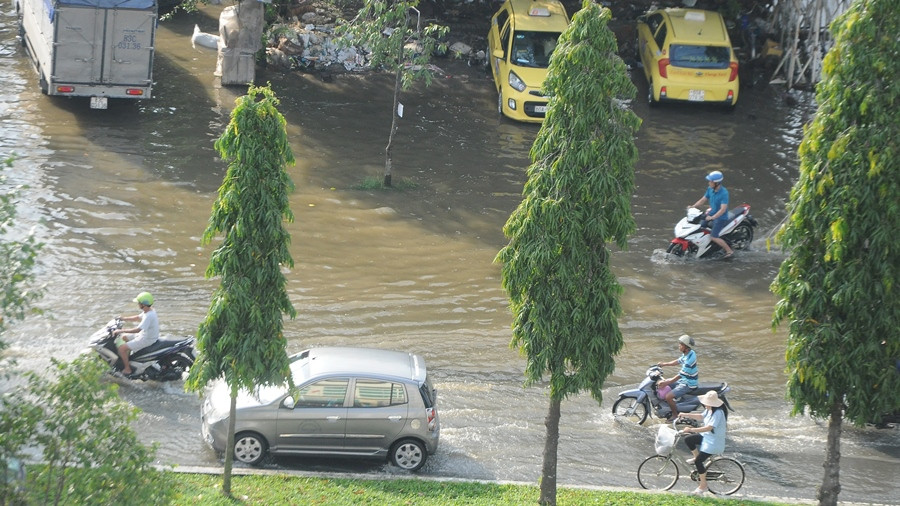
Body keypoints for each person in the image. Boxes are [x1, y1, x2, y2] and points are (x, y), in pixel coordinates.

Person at [679, 390, 729, 495]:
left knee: (699, 462)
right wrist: (685, 414)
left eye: (706, 403)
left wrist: (691, 429)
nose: (704, 404)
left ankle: (703, 485)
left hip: (714, 442)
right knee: (688, 439)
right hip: (707, 437)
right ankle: (696, 458)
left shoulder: (718, 413)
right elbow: (701, 416)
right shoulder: (709, 410)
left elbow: (709, 428)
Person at [113, 292, 159, 377]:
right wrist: (123, 318)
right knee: (124, 337)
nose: (138, 304)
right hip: (145, 335)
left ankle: (128, 369)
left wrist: (121, 330)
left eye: (139, 303)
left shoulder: (148, 316)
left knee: (121, 349)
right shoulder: (149, 310)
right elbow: (137, 317)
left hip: (147, 339)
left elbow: (137, 330)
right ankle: (129, 359)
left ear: (143, 305)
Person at [691, 170, 734, 258]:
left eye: (711, 181)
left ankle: (729, 251)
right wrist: (693, 206)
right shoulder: (710, 189)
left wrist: (713, 217)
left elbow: (723, 209)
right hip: (711, 213)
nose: (709, 183)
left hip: (720, 217)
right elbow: (703, 200)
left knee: (713, 236)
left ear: (717, 183)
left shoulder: (724, 193)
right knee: (699, 227)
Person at [656, 334, 698, 420]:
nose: (679, 345)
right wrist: (664, 364)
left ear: (686, 347)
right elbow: (678, 361)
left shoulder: (689, 360)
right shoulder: (688, 353)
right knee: (661, 383)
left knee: (668, 396)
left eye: (681, 344)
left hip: (688, 383)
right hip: (684, 380)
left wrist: (667, 382)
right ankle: (667, 408)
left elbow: (680, 375)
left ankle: (675, 415)